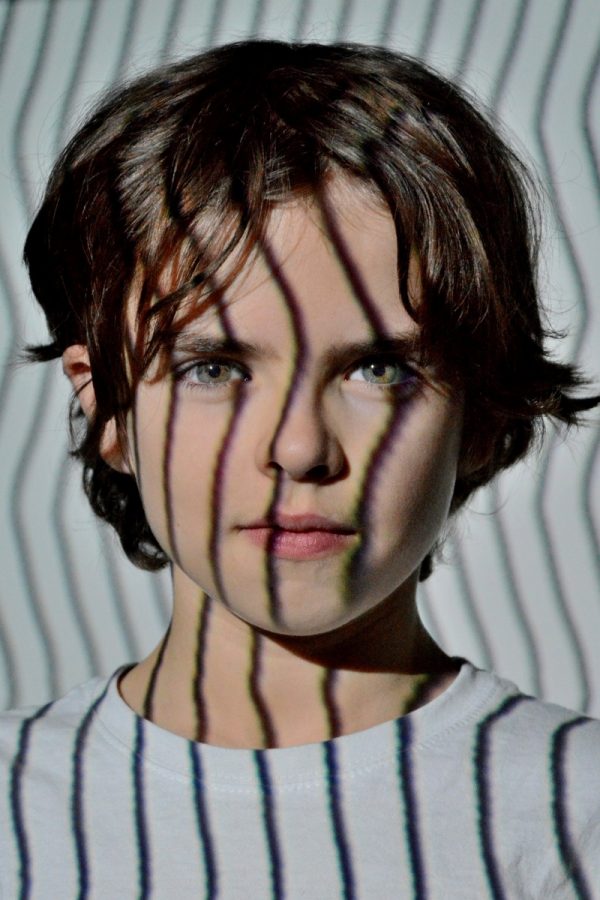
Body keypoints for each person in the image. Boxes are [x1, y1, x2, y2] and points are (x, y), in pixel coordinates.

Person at [1, 39, 599, 898]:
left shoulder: (576, 817)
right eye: (215, 368)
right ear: (109, 410)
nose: (298, 448)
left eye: (378, 369)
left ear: (481, 411)